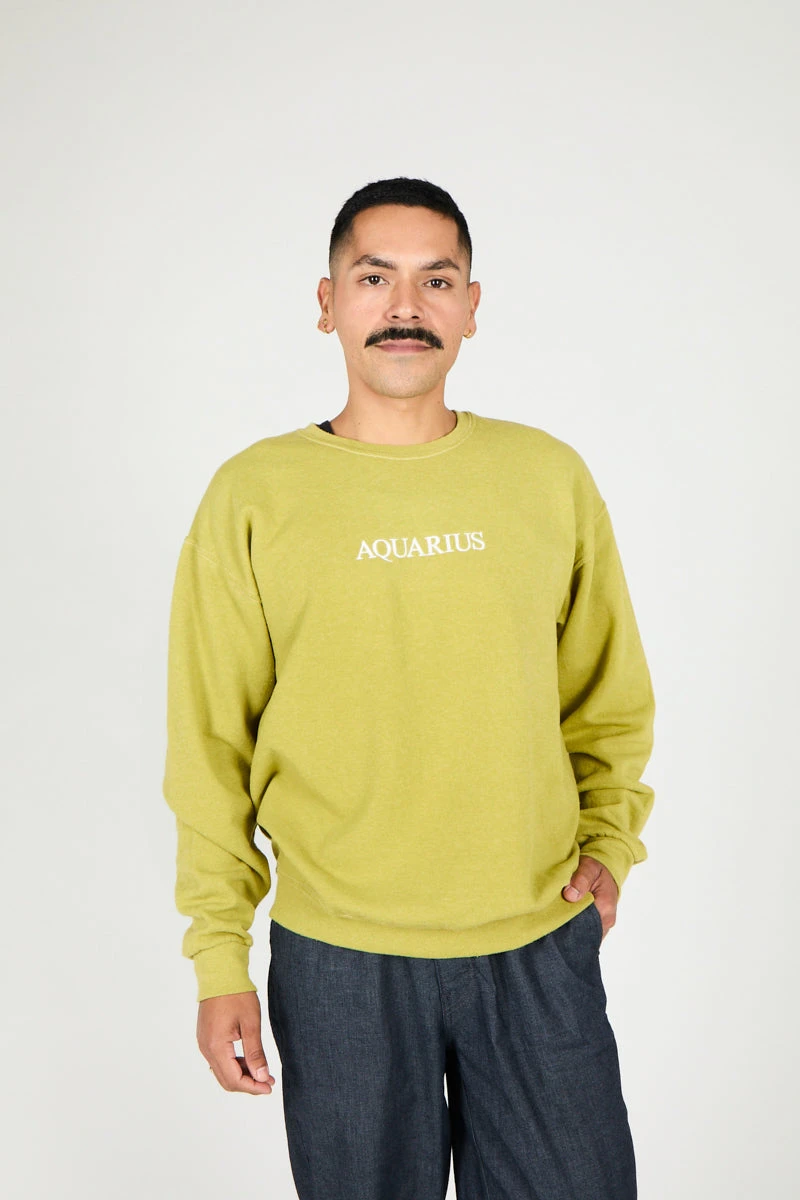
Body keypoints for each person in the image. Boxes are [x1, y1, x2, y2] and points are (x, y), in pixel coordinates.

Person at [162, 176, 655, 1199]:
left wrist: (609, 842)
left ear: (471, 305)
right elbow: (208, 743)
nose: (404, 306)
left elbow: (606, 696)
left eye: (435, 280)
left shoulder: (546, 477)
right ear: (327, 302)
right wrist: (219, 959)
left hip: (535, 939)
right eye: (373, 277)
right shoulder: (255, 495)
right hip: (339, 958)